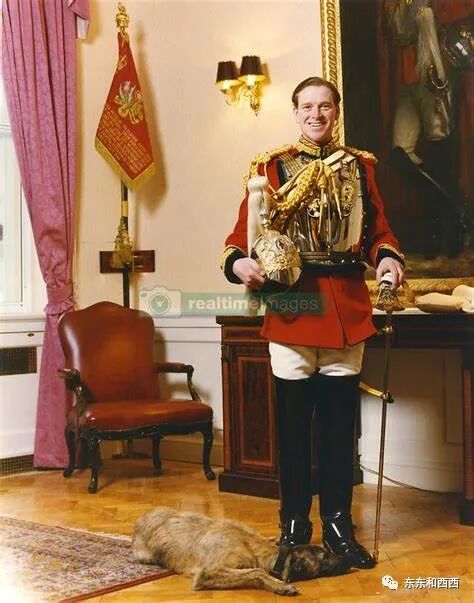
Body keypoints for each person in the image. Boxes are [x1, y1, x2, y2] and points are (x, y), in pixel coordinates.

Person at [220, 76, 405, 570]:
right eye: (307, 106)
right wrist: (240, 263)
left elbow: (378, 233)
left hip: (345, 307)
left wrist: (388, 258)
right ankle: (294, 527)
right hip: (293, 307)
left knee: (340, 432)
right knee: (294, 432)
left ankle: (340, 528)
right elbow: (240, 237)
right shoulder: (271, 166)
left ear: (336, 112)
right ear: (295, 112)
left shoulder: (361, 168)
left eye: (325, 106)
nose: (316, 114)